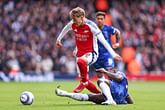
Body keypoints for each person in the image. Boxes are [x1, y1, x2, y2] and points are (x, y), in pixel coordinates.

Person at [56, 7, 122, 94]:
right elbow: (66, 28)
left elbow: (103, 41)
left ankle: (84, 82)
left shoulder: (91, 26)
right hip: (80, 53)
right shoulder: (73, 23)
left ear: (82, 17)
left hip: (91, 53)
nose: (74, 22)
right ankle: (99, 95)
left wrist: (113, 54)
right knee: (85, 79)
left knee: (81, 63)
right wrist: (58, 39)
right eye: (73, 20)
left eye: (75, 19)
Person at [55, 68, 134, 105]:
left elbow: (118, 77)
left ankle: (110, 100)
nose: (109, 73)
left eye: (111, 71)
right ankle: (65, 94)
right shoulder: (123, 89)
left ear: (114, 71)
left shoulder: (120, 74)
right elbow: (131, 101)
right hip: (115, 99)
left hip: (113, 98)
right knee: (88, 97)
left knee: (100, 81)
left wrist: (105, 72)